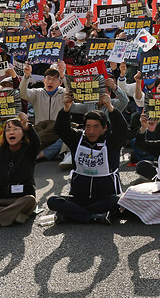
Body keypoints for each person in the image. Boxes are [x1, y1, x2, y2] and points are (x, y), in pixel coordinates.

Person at [45, 92, 129, 224]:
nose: (91, 131)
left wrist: (110, 108)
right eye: (88, 127)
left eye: (96, 127)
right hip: (80, 197)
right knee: (52, 201)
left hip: (105, 197)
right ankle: (93, 216)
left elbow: (122, 129)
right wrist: (66, 108)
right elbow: (61, 129)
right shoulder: (77, 139)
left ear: (105, 128)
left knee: (117, 201)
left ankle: (71, 214)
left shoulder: (112, 142)